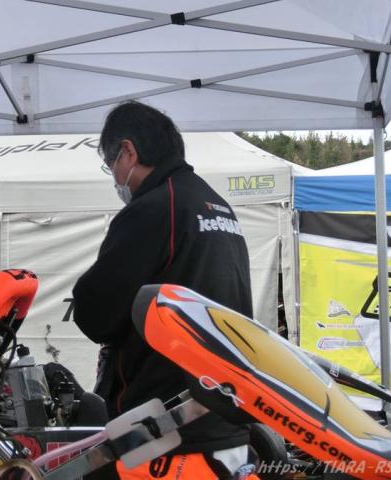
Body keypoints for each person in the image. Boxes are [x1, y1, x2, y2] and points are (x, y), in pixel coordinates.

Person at [73, 101, 255, 479]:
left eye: (111, 164)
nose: (115, 177)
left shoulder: (155, 208)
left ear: (128, 152)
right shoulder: (217, 205)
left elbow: (96, 314)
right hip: (222, 415)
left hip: (166, 427)